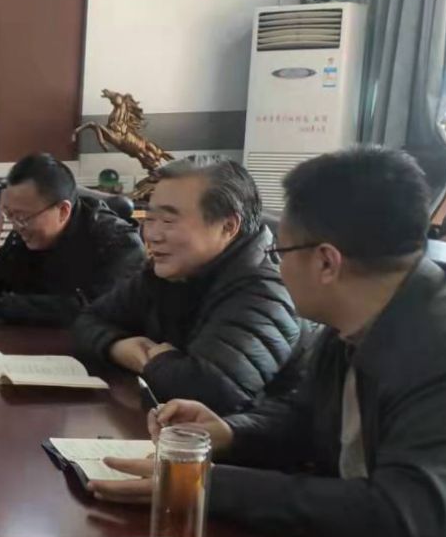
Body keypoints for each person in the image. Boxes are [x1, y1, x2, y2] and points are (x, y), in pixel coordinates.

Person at [90, 147, 446, 537]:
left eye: (279, 254)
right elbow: (307, 419)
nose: (276, 269)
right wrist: (229, 433)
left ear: (326, 262)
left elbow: (407, 516)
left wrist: (202, 484)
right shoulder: (360, 310)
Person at [72, 156, 300, 412]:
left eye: (169, 221)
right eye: (150, 218)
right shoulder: (170, 270)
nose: (151, 235)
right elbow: (87, 321)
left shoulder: (266, 289)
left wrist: (156, 361)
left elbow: (212, 392)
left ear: (228, 226)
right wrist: (119, 347)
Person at [0, 153, 144, 325]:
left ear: (63, 211)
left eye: (23, 217)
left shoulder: (118, 242)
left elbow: (90, 308)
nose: (16, 226)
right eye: (10, 215)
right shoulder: (27, 233)